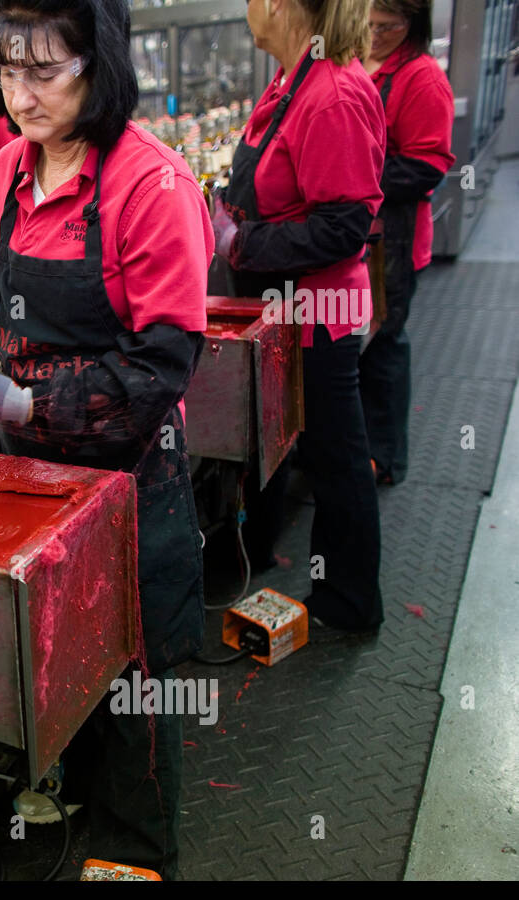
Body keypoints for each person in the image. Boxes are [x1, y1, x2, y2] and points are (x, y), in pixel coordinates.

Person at [0, 0, 212, 879]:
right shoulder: (8, 167)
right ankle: (75, 791)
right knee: (62, 652)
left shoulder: (151, 186)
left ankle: (138, 846)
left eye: (46, 71)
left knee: (134, 673)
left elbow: (160, 370)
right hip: (33, 475)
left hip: (125, 475)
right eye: (6, 70)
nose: (20, 92)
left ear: (101, 64)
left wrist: (25, 405)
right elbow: (1, 284)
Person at [215, 0, 386, 634]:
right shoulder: (291, 81)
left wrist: (239, 243)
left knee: (337, 459)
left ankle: (348, 601)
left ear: (282, 5)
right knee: (312, 450)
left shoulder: (333, 94)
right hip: (288, 310)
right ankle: (291, 567)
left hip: (322, 314)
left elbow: (343, 227)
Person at [361, 0, 454, 484]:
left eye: (388, 27)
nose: (375, 35)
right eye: (369, 24)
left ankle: (385, 457)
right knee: (360, 350)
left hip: (394, 243)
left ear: (413, 24)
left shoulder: (422, 78)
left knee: (384, 346)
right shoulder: (353, 62)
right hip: (358, 240)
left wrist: (356, 176)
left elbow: (426, 168)